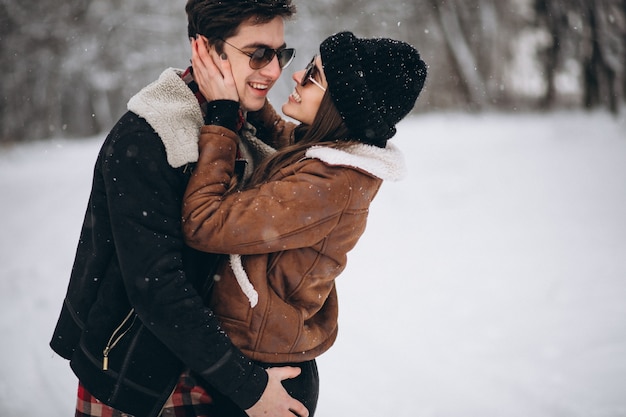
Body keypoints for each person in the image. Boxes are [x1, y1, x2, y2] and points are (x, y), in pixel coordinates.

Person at [48, 1, 311, 417]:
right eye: (258, 54)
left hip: (220, 372)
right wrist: (251, 389)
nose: (274, 70)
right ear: (205, 49)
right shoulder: (149, 137)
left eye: (281, 54)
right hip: (141, 377)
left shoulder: (249, 128)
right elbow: (157, 289)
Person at [182, 31, 428, 416]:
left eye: (313, 76)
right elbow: (288, 143)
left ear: (340, 106)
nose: (295, 77)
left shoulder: (327, 184)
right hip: (259, 354)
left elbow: (203, 222)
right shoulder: (332, 160)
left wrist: (224, 117)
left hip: (266, 374)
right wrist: (249, 96)